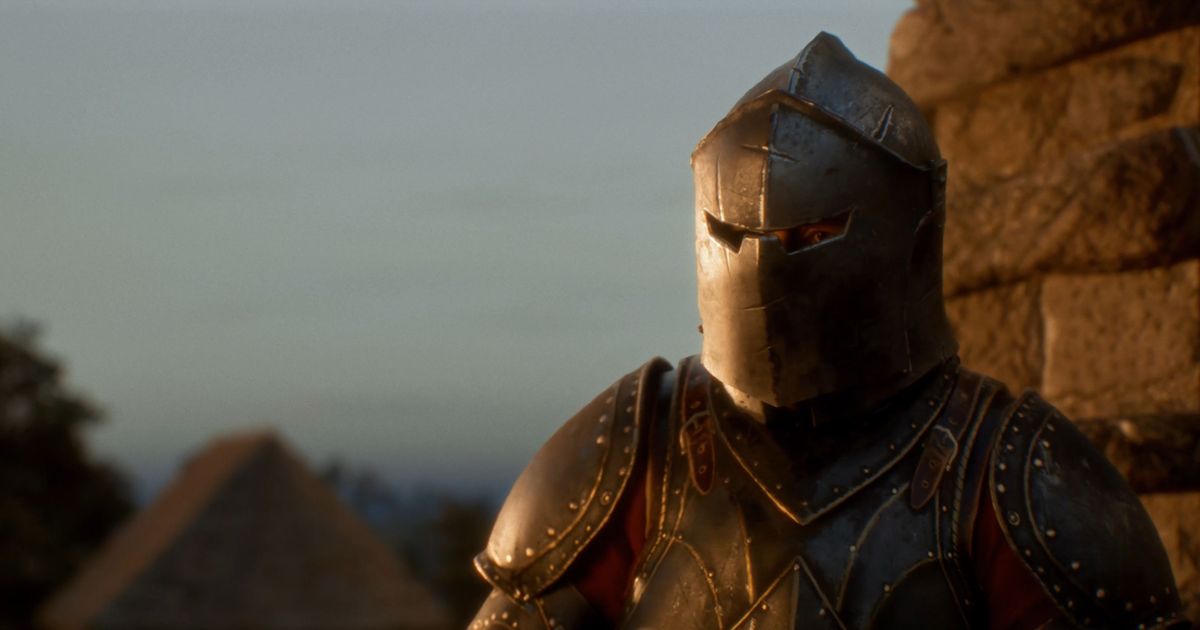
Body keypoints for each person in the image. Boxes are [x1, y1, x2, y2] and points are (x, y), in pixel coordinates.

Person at [466, 32, 1188, 629]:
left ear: (903, 228)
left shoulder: (1009, 470)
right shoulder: (639, 446)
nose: (769, 267)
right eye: (737, 234)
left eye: (812, 235)